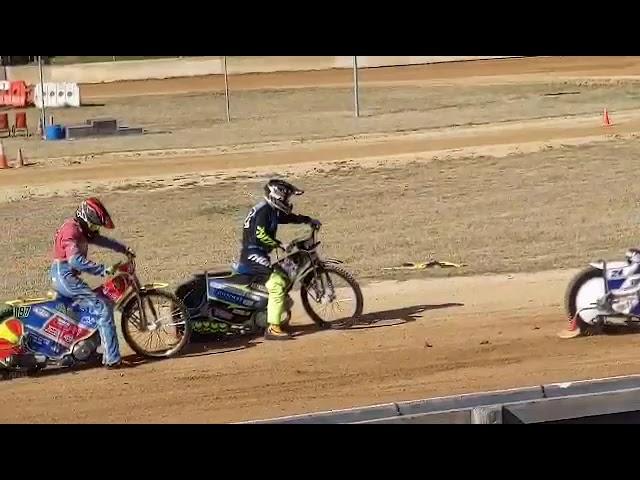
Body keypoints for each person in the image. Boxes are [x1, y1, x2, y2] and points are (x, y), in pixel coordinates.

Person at [51, 197, 133, 368]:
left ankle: (84, 351)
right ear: (87, 218)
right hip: (65, 277)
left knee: (77, 314)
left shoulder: (79, 228)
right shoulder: (71, 231)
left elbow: (102, 240)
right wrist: (101, 270)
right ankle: (112, 359)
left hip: (63, 276)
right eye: (95, 225)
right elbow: (75, 261)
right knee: (102, 308)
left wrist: (123, 248)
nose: (95, 229)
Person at [235, 179, 321, 340]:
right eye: (286, 198)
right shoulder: (264, 211)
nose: (288, 202)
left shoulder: (270, 210)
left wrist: (307, 220)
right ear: (278, 196)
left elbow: (287, 218)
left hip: (258, 253)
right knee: (277, 283)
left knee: (284, 273)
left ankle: (274, 311)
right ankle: (273, 328)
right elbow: (260, 234)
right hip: (253, 255)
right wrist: (279, 244)